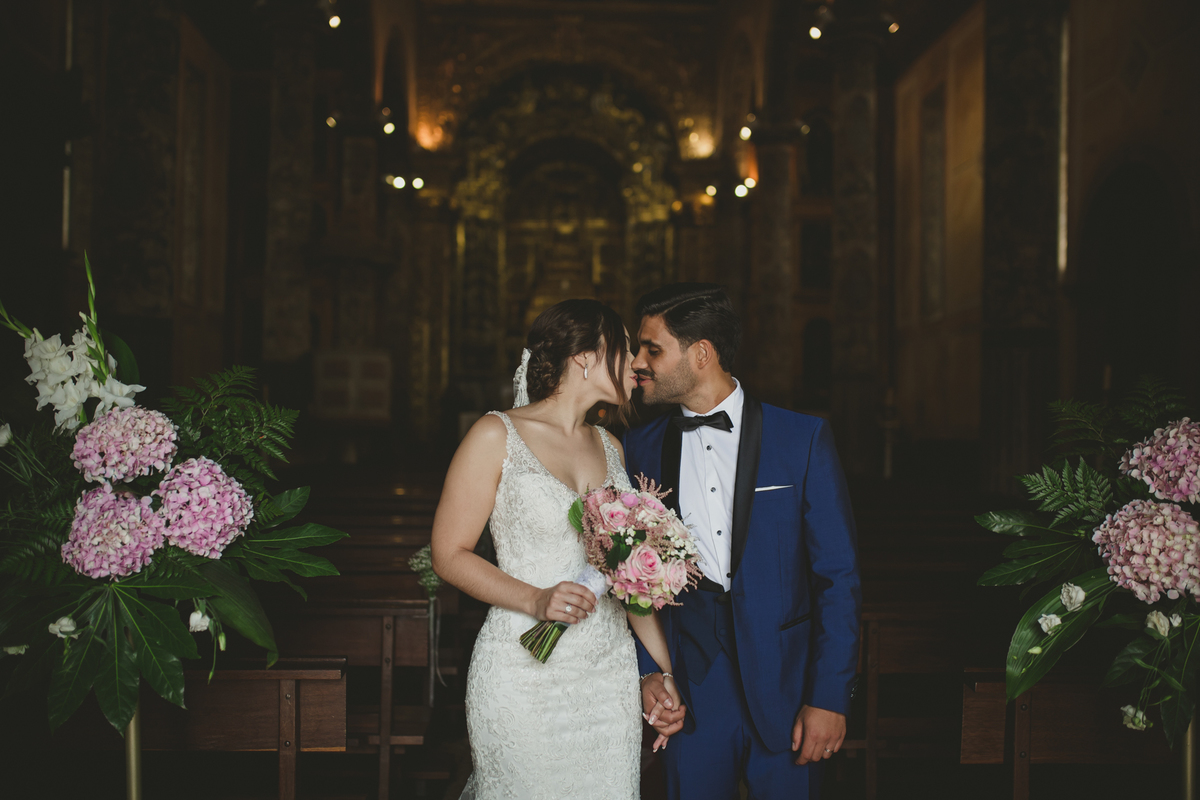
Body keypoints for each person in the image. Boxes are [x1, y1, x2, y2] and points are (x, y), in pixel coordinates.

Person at [430, 298, 682, 800]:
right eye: (627, 349)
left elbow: (628, 576)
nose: (637, 364)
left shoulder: (611, 447)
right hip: (523, 672)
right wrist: (535, 599)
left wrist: (664, 673)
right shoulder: (494, 433)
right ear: (586, 356)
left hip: (606, 679)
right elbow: (449, 553)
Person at [626, 283, 861, 800]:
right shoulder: (637, 449)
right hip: (688, 690)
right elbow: (627, 581)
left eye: (652, 349)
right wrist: (649, 676)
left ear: (702, 353)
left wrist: (829, 698)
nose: (636, 363)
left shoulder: (802, 439)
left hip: (788, 688)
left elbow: (837, 578)